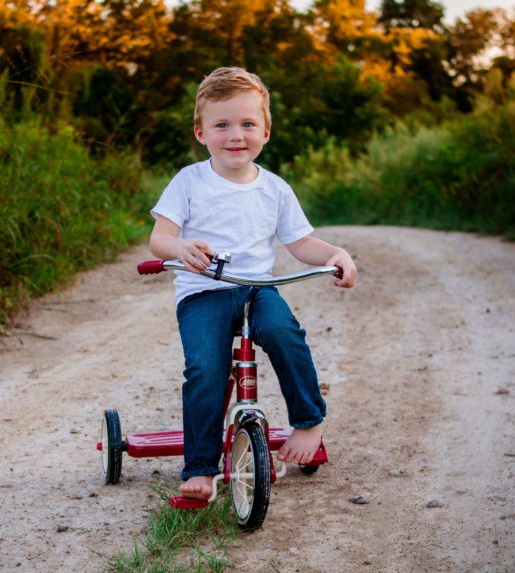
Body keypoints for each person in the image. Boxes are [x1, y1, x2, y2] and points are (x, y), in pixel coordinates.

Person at [148, 67, 357, 500]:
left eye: (247, 124)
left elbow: (300, 243)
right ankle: (201, 468)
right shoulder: (189, 181)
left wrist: (335, 254)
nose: (235, 135)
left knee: (285, 333)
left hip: (257, 289)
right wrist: (180, 246)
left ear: (265, 132)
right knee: (205, 368)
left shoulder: (274, 189)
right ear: (201, 133)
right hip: (203, 293)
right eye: (222, 125)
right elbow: (159, 239)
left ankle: (309, 421)